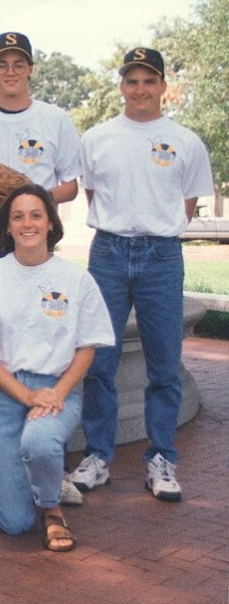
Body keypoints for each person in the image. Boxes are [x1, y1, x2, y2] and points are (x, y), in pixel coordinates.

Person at [71, 48, 214, 502]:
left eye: (149, 81)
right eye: (132, 81)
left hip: (161, 256)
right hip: (109, 252)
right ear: (122, 86)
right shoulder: (98, 138)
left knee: (164, 364)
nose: (140, 89)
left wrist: (153, 230)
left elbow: (187, 204)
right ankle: (97, 456)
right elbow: (93, 193)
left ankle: (161, 459)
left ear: (162, 86)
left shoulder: (185, 141)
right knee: (99, 362)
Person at [0, 32, 80, 493]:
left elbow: (71, 186)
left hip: (31, 229)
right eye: (2, 63)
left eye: (18, 62)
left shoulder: (54, 119)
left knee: (45, 332)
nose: (10, 71)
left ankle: (48, 457)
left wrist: (29, 196)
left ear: (29, 69)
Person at [0, 184, 114, 552]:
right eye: (18, 216)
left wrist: (56, 394)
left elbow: (86, 348)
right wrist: (25, 395)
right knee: (14, 524)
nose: (27, 223)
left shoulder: (76, 279)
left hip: (54, 387)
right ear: (7, 226)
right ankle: (33, 487)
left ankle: (51, 507)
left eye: (36, 215)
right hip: (2, 393)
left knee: (40, 441)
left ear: (50, 223)